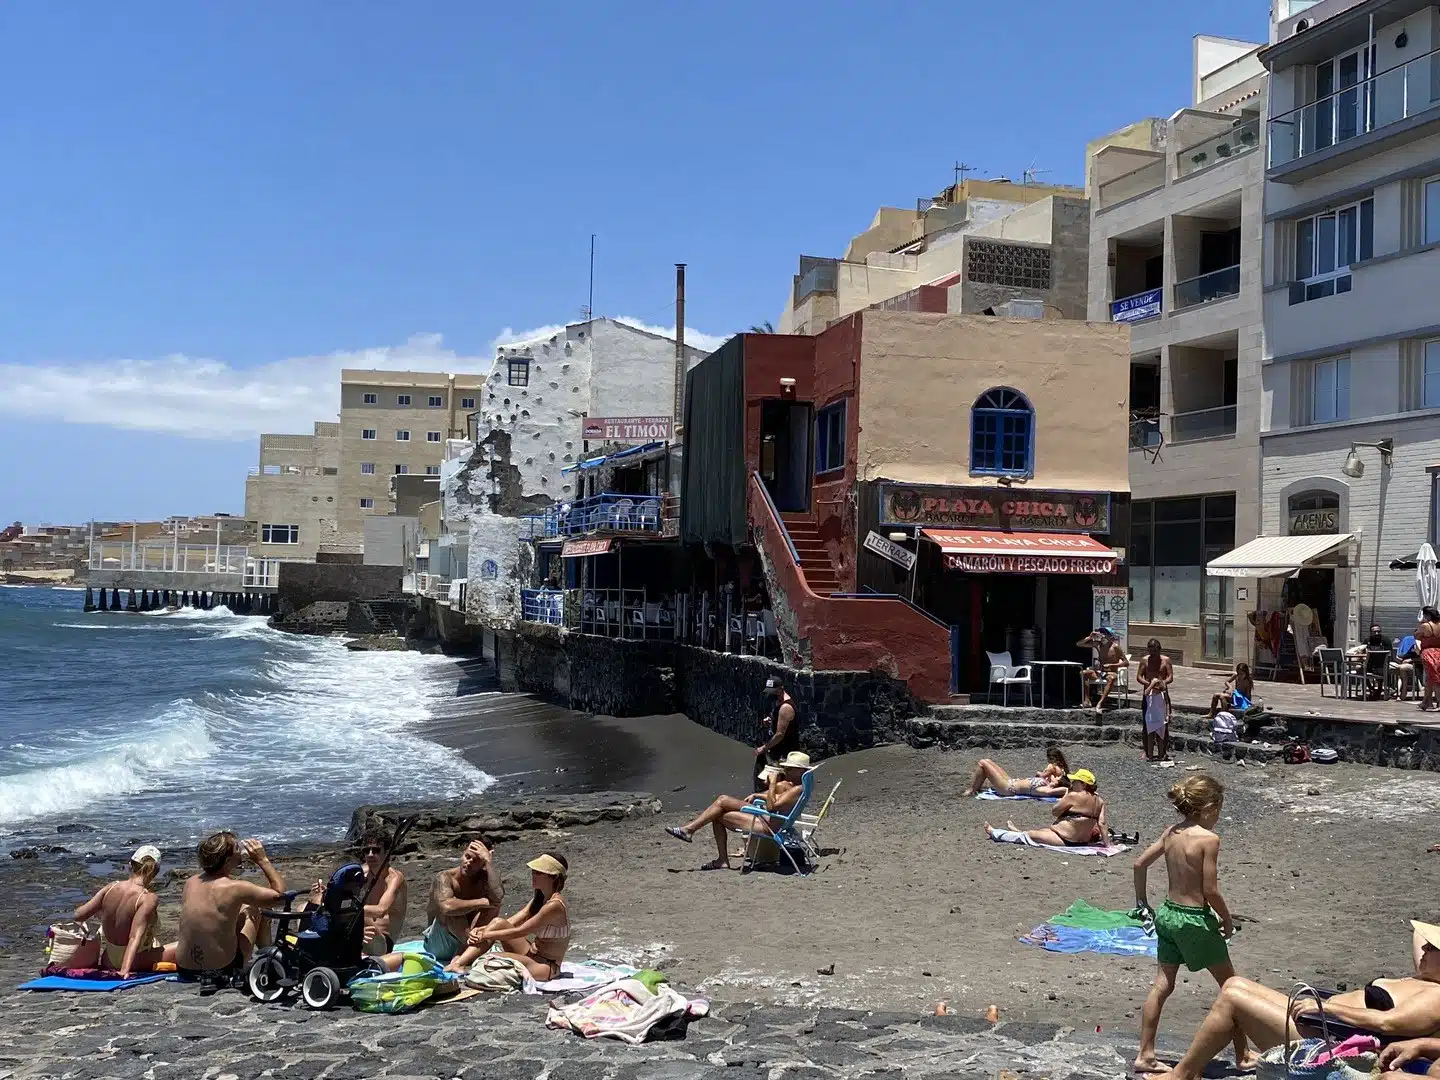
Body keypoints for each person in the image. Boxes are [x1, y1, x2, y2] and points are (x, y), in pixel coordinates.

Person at [1147, 919, 1440, 1080]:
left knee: (1234, 998)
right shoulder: (1424, 975)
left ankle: (1181, 1077)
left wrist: (1327, 1007)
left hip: (1333, 1045)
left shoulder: (1436, 995)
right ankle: (1208, 1065)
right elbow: (1418, 931)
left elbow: (1387, 1023)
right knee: (1234, 982)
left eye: (1433, 947)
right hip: (1320, 1022)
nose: (1425, 948)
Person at [1131, 776, 1253, 1076]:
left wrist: (1142, 902)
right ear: (1210, 807)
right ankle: (1244, 1055)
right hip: (1194, 919)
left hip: (1168, 914)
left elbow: (1139, 864)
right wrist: (1226, 918)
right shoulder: (1208, 840)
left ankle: (1145, 1054)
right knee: (1232, 988)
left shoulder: (1171, 832)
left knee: (1162, 985)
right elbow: (1210, 890)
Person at [664, 750, 811, 870]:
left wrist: (772, 782)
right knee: (722, 801)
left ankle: (707, 847)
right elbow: (778, 799)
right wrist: (757, 794)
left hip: (768, 826)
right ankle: (690, 831)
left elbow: (772, 806)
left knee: (718, 813)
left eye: (789, 768)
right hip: (772, 819)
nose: (785, 770)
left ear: (800, 771)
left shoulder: (796, 790)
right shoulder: (798, 787)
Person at [176, 832, 286, 984]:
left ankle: (266, 958)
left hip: (185, 968)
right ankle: (268, 961)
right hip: (222, 969)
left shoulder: (191, 882)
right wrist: (263, 860)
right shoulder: (235, 887)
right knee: (256, 908)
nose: (241, 850)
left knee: (235, 911)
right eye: (236, 848)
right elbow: (280, 897)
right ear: (227, 860)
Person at [445, 853, 570, 979]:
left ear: (553, 877)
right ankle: (459, 963)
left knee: (488, 959)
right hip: (531, 954)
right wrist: (481, 929)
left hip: (545, 966)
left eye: (539, 873)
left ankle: (460, 962)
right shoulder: (540, 898)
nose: (533, 876)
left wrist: (485, 935)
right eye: (533, 872)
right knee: (498, 922)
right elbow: (512, 921)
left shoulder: (554, 906)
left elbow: (520, 931)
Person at [68, 845, 176, 979]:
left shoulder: (111, 887)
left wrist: (104, 910)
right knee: (183, 946)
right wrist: (125, 970)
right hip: (135, 961)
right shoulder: (147, 898)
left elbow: (79, 915)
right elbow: (134, 936)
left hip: (108, 960)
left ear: (130, 864)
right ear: (155, 871)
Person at [399, 838, 503, 966]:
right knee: (453, 910)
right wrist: (481, 901)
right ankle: (469, 950)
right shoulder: (445, 877)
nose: (469, 862)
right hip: (440, 943)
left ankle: (461, 956)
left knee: (493, 906)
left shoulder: (484, 879)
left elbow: (498, 897)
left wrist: (488, 862)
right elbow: (447, 907)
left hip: (467, 937)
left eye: (476, 860)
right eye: (467, 856)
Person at [985, 769, 1107, 847]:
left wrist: (1066, 796)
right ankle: (1016, 830)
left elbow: (1055, 811)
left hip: (1065, 839)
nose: (1072, 783)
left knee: (1031, 835)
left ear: (1083, 784)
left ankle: (995, 833)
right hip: (1081, 840)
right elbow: (1102, 823)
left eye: (1075, 781)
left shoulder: (1073, 796)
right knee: (1042, 832)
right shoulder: (1100, 800)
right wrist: (1108, 845)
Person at [965, 746, 1070, 798]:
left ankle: (971, 790)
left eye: (1057, 779)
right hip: (1011, 781)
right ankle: (975, 788)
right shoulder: (1049, 781)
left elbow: (1065, 790)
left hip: (1007, 788)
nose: (1055, 777)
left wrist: (1068, 792)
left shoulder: (1047, 790)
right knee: (987, 761)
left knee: (983, 763)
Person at [754, 677, 799, 785]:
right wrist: (771, 721)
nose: (771, 694)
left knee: (773, 782)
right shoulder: (779, 702)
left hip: (783, 752)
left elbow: (780, 734)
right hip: (776, 750)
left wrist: (764, 748)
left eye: (773, 692)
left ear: (780, 689)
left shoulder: (786, 707)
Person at [1138, 639, 1174, 761]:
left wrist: (1162, 682)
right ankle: (1147, 750)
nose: (1152, 653)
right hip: (1149, 693)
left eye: (1155, 651)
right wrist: (1149, 683)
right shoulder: (1144, 660)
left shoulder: (1166, 660)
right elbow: (1139, 676)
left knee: (1163, 723)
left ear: (1159, 649)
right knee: (1147, 723)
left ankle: (1162, 751)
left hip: (1162, 692)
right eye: (1150, 651)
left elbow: (1170, 676)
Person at [1080, 629, 1127, 712]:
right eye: (1101, 633)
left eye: (1104, 633)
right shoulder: (1098, 644)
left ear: (1109, 636)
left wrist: (1112, 665)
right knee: (1084, 673)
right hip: (1100, 671)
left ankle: (1100, 703)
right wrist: (1089, 637)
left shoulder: (1115, 647)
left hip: (1111, 672)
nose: (1102, 635)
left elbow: (1126, 662)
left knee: (1111, 678)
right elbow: (1079, 644)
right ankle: (1087, 700)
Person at [1417, 607, 1440, 711]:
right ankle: (1426, 703)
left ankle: (1437, 702)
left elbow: (1416, 635)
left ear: (1427, 615)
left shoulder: (1425, 626)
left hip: (1429, 653)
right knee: (1431, 679)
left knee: (1434, 679)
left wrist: (1421, 624)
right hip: (1439, 651)